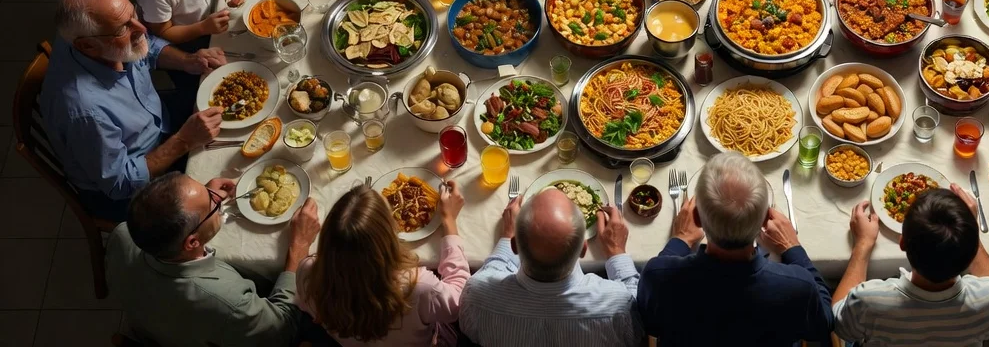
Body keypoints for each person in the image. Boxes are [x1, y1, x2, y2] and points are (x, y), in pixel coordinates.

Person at [41, 0, 227, 221]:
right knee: (223, 192)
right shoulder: (84, 110)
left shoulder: (101, 38)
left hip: (158, 123)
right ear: (87, 45)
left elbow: (146, 44)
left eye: (133, 14)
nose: (142, 28)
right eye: (123, 29)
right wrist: (183, 141)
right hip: (130, 194)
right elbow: (119, 184)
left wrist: (187, 61)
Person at [637, 152, 833, 346]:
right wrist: (793, 248)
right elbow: (824, 323)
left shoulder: (657, 276)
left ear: (696, 217)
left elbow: (650, 325)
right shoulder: (798, 286)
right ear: (765, 219)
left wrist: (679, 240)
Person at [107, 173, 321, 347]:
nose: (217, 198)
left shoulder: (122, 233)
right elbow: (283, 330)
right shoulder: (230, 303)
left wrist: (198, 198)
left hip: (160, 326)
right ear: (192, 243)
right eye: (212, 203)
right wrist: (300, 245)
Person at [833, 187, 989, 346]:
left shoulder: (868, 300)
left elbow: (837, 321)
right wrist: (969, 232)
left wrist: (863, 244)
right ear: (973, 250)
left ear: (902, 242)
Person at [459, 190, 642, 346]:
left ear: (515, 247)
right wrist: (617, 251)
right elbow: (639, 322)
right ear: (583, 250)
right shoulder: (618, 307)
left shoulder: (476, 296)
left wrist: (507, 235)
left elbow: (469, 331)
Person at [298, 181, 469, 346]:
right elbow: (460, 300)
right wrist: (449, 221)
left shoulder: (306, 274)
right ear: (388, 237)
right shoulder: (419, 287)